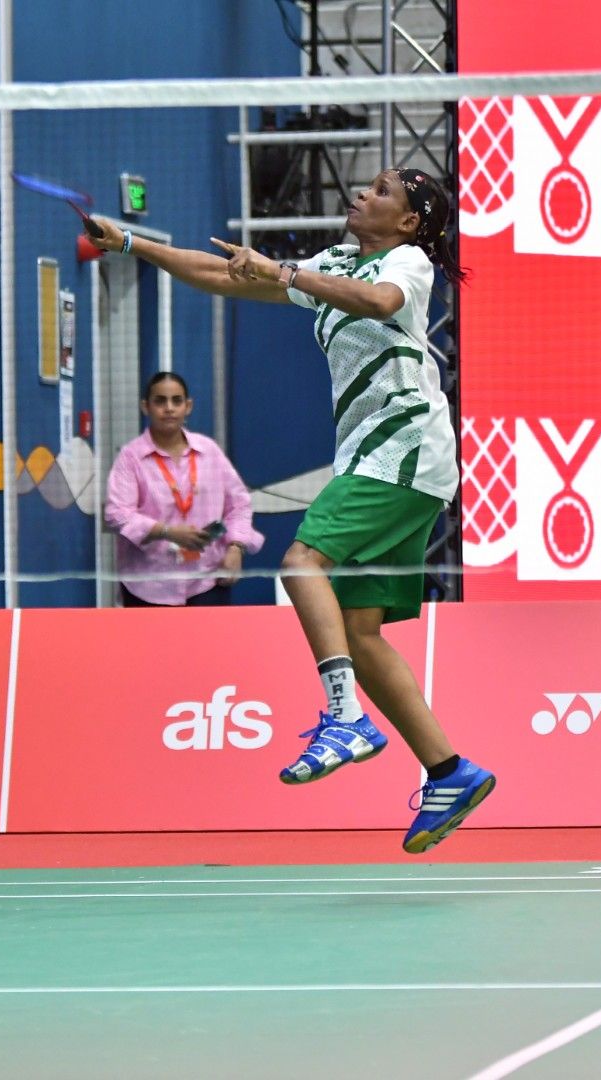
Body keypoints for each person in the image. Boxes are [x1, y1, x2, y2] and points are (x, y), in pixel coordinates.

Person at [89, 169, 494, 854]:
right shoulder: (336, 262)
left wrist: (282, 271)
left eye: (382, 191)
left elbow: (377, 301)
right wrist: (132, 243)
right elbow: (221, 277)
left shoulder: (407, 263)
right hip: (389, 461)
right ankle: (450, 771)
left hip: (401, 451)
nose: (363, 194)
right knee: (360, 633)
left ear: (408, 222)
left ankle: (345, 717)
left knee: (302, 562)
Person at [105, 371, 263, 608]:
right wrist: (167, 532)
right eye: (160, 401)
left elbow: (239, 504)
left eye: (176, 401)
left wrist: (236, 548)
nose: (169, 408)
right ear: (145, 407)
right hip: (149, 586)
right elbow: (117, 514)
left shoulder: (209, 451)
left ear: (188, 406)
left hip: (207, 581)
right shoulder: (131, 458)